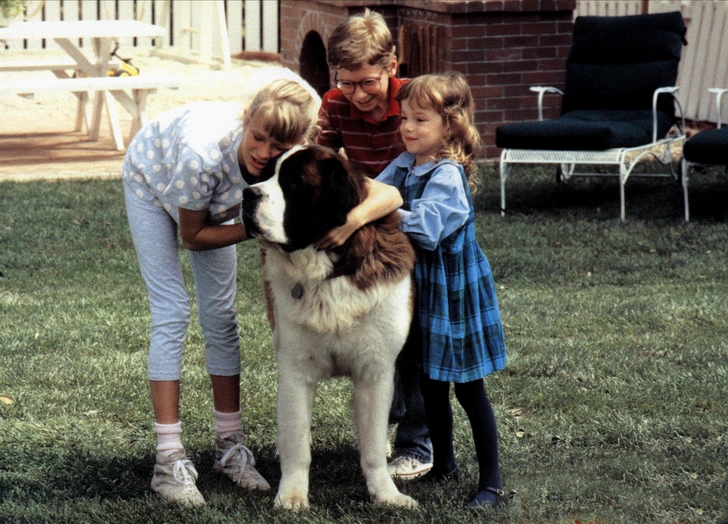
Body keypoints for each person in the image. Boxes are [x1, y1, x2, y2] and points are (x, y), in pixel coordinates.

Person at [122, 79, 320, 507]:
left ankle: (229, 448)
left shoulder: (284, 160)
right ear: (247, 121)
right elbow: (193, 236)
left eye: (278, 144)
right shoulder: (202, 156)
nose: (264, 152)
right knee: (173, 311)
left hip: (216, 203)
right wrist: (255, 228)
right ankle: (168, 460)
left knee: (221, 317)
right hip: (151, 178)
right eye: (258, 137)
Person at [375, 72, 508, 508]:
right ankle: (444, 465)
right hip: (423, 292)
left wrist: (388, 212)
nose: (407, 128)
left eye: (420, 120)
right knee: (430, 383)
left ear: (449, 126)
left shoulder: (446, 173)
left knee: (469, 389)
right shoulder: (404, 164)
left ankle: (490, 481)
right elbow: (374, 189)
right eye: (403, 118)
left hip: (454, 294)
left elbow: (428, 229)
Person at [315, 7, 433, 481]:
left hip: (418, 228)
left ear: (392, 66)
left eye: (369, 82)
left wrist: (355, 220)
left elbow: (424, 181)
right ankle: (381, 420)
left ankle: (417, 441)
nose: (359, 95)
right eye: (348, 82)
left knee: (415, 340)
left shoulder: (416, 103)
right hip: (374, 240)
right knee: (377, 335)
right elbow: (319, 158)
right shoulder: (335, 103)